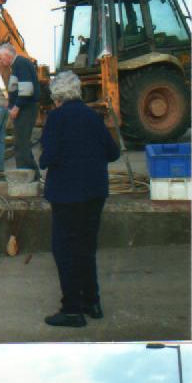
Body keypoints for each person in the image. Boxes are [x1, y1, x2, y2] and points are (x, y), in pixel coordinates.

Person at [39, 70, 120, 327]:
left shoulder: (56, 118)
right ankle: (92, 302)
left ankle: (72, 310)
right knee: (86, 248)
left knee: (65, 251)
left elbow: (48, 157)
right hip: (95, 193)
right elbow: (113, 153)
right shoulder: (93, 116)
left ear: (56, 96)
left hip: (66, 195)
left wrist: (46, 157)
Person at [0, 43, 41, 179]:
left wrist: (16, 107)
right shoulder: (17, 65)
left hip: (26, 108)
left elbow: (26, 89)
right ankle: (32, 175)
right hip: (25, 108)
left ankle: (26, 175)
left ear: (8, 55)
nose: (0, 60)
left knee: (21, 143)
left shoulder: (20, 64)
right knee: (21, 143)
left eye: (0, 58)